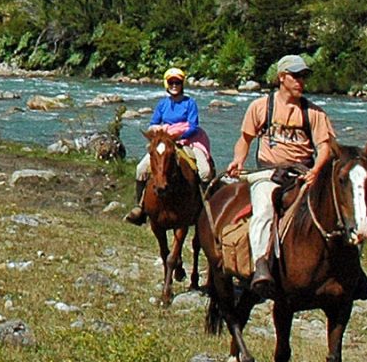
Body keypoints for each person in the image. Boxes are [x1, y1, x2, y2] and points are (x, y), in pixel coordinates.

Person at [224, 54, 341, 296]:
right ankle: (261, 265)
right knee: (264, 208)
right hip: (268, 172)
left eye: (303, 76)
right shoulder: (260, 107)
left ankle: (348, 271)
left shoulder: (314, 113)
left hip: (303, 173)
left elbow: (325, 148)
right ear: (281, 77)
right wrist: (238, 160)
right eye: (295, 76)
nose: (301, 81)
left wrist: (316, 171)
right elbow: (245, 140)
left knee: (337, 208)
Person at [126, 66, 210, 224]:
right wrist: (157, 132)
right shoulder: (162, 104)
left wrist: (179, 136)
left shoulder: (190, 103)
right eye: (171, 82)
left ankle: (206, 207)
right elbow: (154, 122)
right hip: (165, 142)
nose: (174, 85)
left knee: (205, 171)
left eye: (177, 82)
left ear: (182, 84)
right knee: (141, 169)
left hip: (187, 140)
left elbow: (193, 125)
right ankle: (140, 207)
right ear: (167, 84)